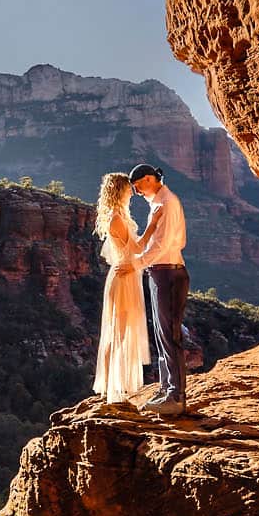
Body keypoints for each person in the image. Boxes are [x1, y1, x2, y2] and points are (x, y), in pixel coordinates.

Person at [128, 162, 190, 414]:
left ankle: (176, 398)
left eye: (138, 186)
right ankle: (167, 390)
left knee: (170, 335)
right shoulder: (159, 203)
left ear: (150, 179)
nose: (137, 192)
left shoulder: (167, 203)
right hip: (161, 272)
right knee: (162, 334)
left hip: (168, 273)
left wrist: (137, 265)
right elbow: (163, 242)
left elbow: (163, 245)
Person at [91, 172, 150, 403]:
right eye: (128, 189)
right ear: (119, 190)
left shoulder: (120, 216)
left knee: (124, 331)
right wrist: (155, 226)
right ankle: (112, 387)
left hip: (127, 276)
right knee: (119, 331)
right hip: (123, 280)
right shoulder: (117, 218)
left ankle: (119, 385)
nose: (131, 193)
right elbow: (135, 249)